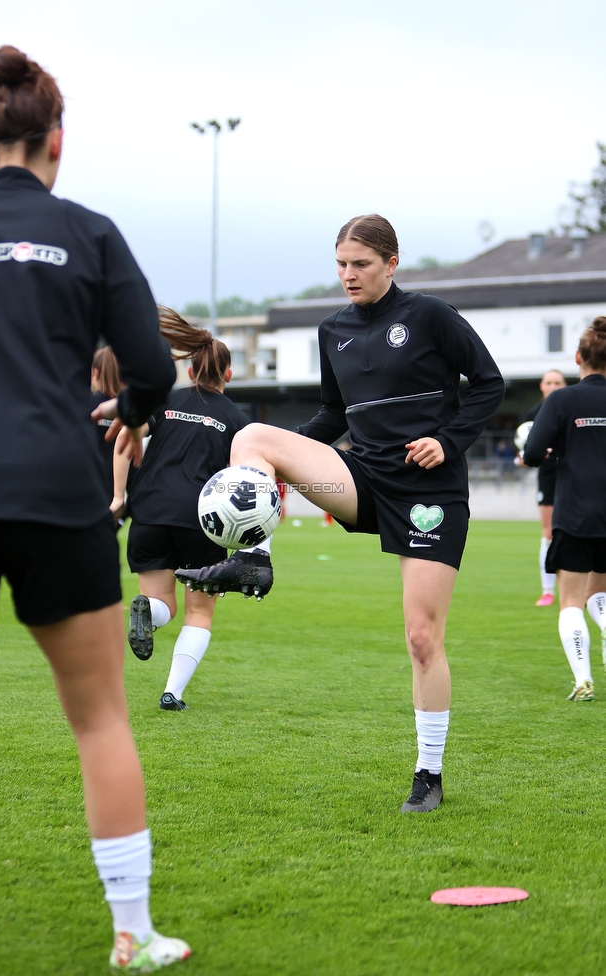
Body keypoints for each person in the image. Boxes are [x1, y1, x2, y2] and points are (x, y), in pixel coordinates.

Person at [0, 46, 191, 972]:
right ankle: (130, 934)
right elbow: (155, 367)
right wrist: (128, 411)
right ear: (58, 140)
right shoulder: (90, 233)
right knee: (99, 719)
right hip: (59, 488)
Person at [177, 214, 505, 813]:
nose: (348, 275)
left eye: (360, 264)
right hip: (360, 478)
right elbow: (331, 418)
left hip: (428, 491)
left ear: (391, 264)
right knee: (252, 437)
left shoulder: (429, 315)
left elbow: (488, 382)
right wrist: (284, 458)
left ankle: (428, 775)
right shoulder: (334, 330)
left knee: (422, 637)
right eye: (341, 264)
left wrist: (448, 441)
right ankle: (254, 559)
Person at [113, 307, 250, 710]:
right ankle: (172, 693)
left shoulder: (164, 402)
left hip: (150, 512)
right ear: (228, 374)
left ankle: (148, 611)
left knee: (163, 605)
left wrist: (119, 496)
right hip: (202, 522)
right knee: (199, 612)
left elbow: (124, 436)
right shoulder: (237, 420)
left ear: (189, 372)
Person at [524, 319, 606, 702]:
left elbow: (533, 454)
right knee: (600, 597)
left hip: (576, 513)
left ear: (578, 358)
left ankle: (582, 680)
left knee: (571, 600)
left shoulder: (562, 400)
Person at [524, 370, 567, 606]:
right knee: (548, 532)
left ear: (564, 385)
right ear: (541, 386)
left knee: (575, 532)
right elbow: (525, 450)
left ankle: (583, 590)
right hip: (548, 477)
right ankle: (548, 591)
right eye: (549, 382)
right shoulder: (533, 414)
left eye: (557, 382)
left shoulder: (571, 407)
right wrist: (522, 458)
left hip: (572, 476)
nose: (553, 386)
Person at [91, 345, 125, 506]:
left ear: (95, 372)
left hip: (87, 489)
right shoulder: (127, 410)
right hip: (115, 495)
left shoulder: (86, 406)